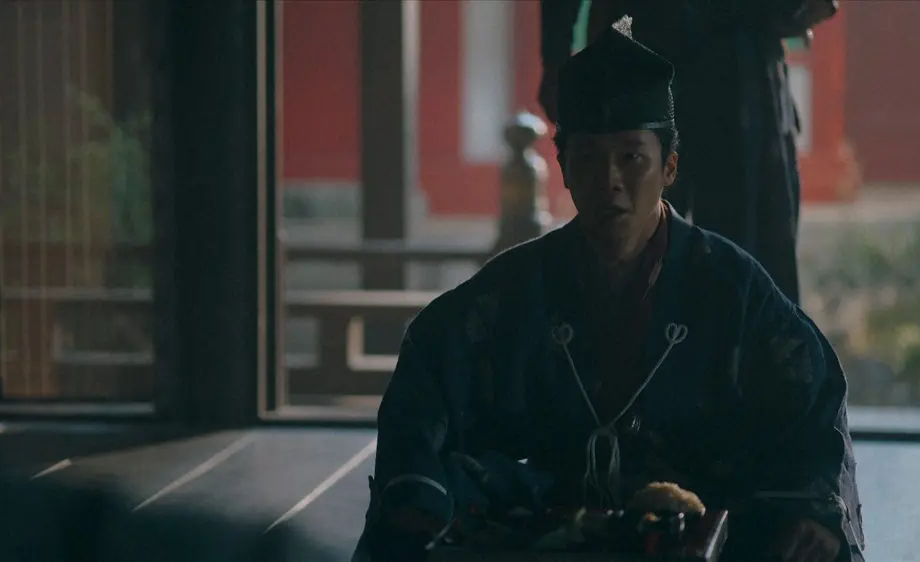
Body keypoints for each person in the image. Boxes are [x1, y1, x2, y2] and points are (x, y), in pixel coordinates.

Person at [353, 18, 863, 562]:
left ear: (669, 167)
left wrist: (812, 509)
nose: (610, 180)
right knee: (429, 500)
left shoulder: (731, 287)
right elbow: (428, 371)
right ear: (564, 168)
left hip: (694, 522)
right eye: (590, 159)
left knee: (797, 531)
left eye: (632, 157)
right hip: (549, 518)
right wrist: (418, 497)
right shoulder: (517, 287)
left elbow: (811, 400)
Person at [538, 0, 838, 307]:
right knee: (633, 255)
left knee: (745, 266)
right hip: (649, 59)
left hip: (736, 62)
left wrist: (555, 61)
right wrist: (556, 60)